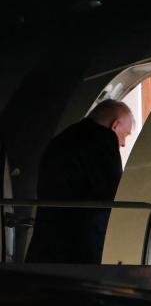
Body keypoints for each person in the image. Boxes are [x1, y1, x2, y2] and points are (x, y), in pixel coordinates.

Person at [26, 99, 134, 264]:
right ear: (115, 125)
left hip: (47, 242)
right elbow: (114, 192)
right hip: (81, 245)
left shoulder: (63, 138)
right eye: (125, 135)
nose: (123, 143)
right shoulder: (102, 139)